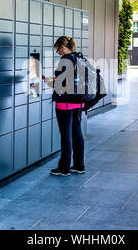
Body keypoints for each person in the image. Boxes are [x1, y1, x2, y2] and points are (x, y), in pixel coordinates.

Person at [42, 36, 85, 176]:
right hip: (78, 101)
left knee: (65, 135)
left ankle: (64, 168)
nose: (58, 52)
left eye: (58, 49)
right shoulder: (78, 57)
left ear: (63, 47)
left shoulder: (65, 60)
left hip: (65, 103)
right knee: (77, 133)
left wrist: (48, 81)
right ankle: (79, 165)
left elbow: (60, 83)